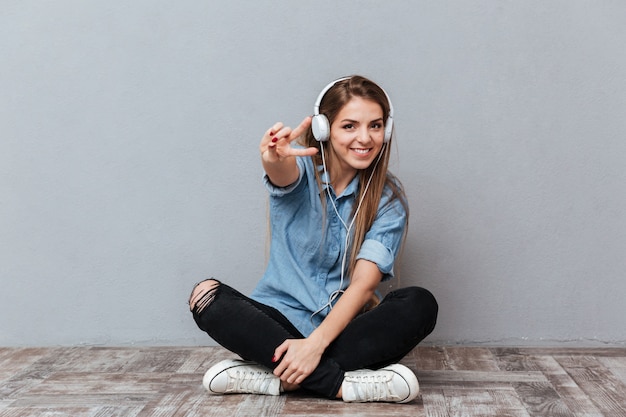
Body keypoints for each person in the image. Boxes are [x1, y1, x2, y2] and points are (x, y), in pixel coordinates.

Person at [188, 75, 438, 404]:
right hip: (277, 326)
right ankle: (343, 385)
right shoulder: (301, 172)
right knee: (206, 295)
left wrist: (315, 345)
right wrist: (272, 158)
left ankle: (277, 378)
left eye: (375, 126)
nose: (365, 138)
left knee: (420, 304)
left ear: (386, 130)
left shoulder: (387, 199)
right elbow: (281, 170)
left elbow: (363, 285)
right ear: (324, 129)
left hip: (344, 332)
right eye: (349, 126)